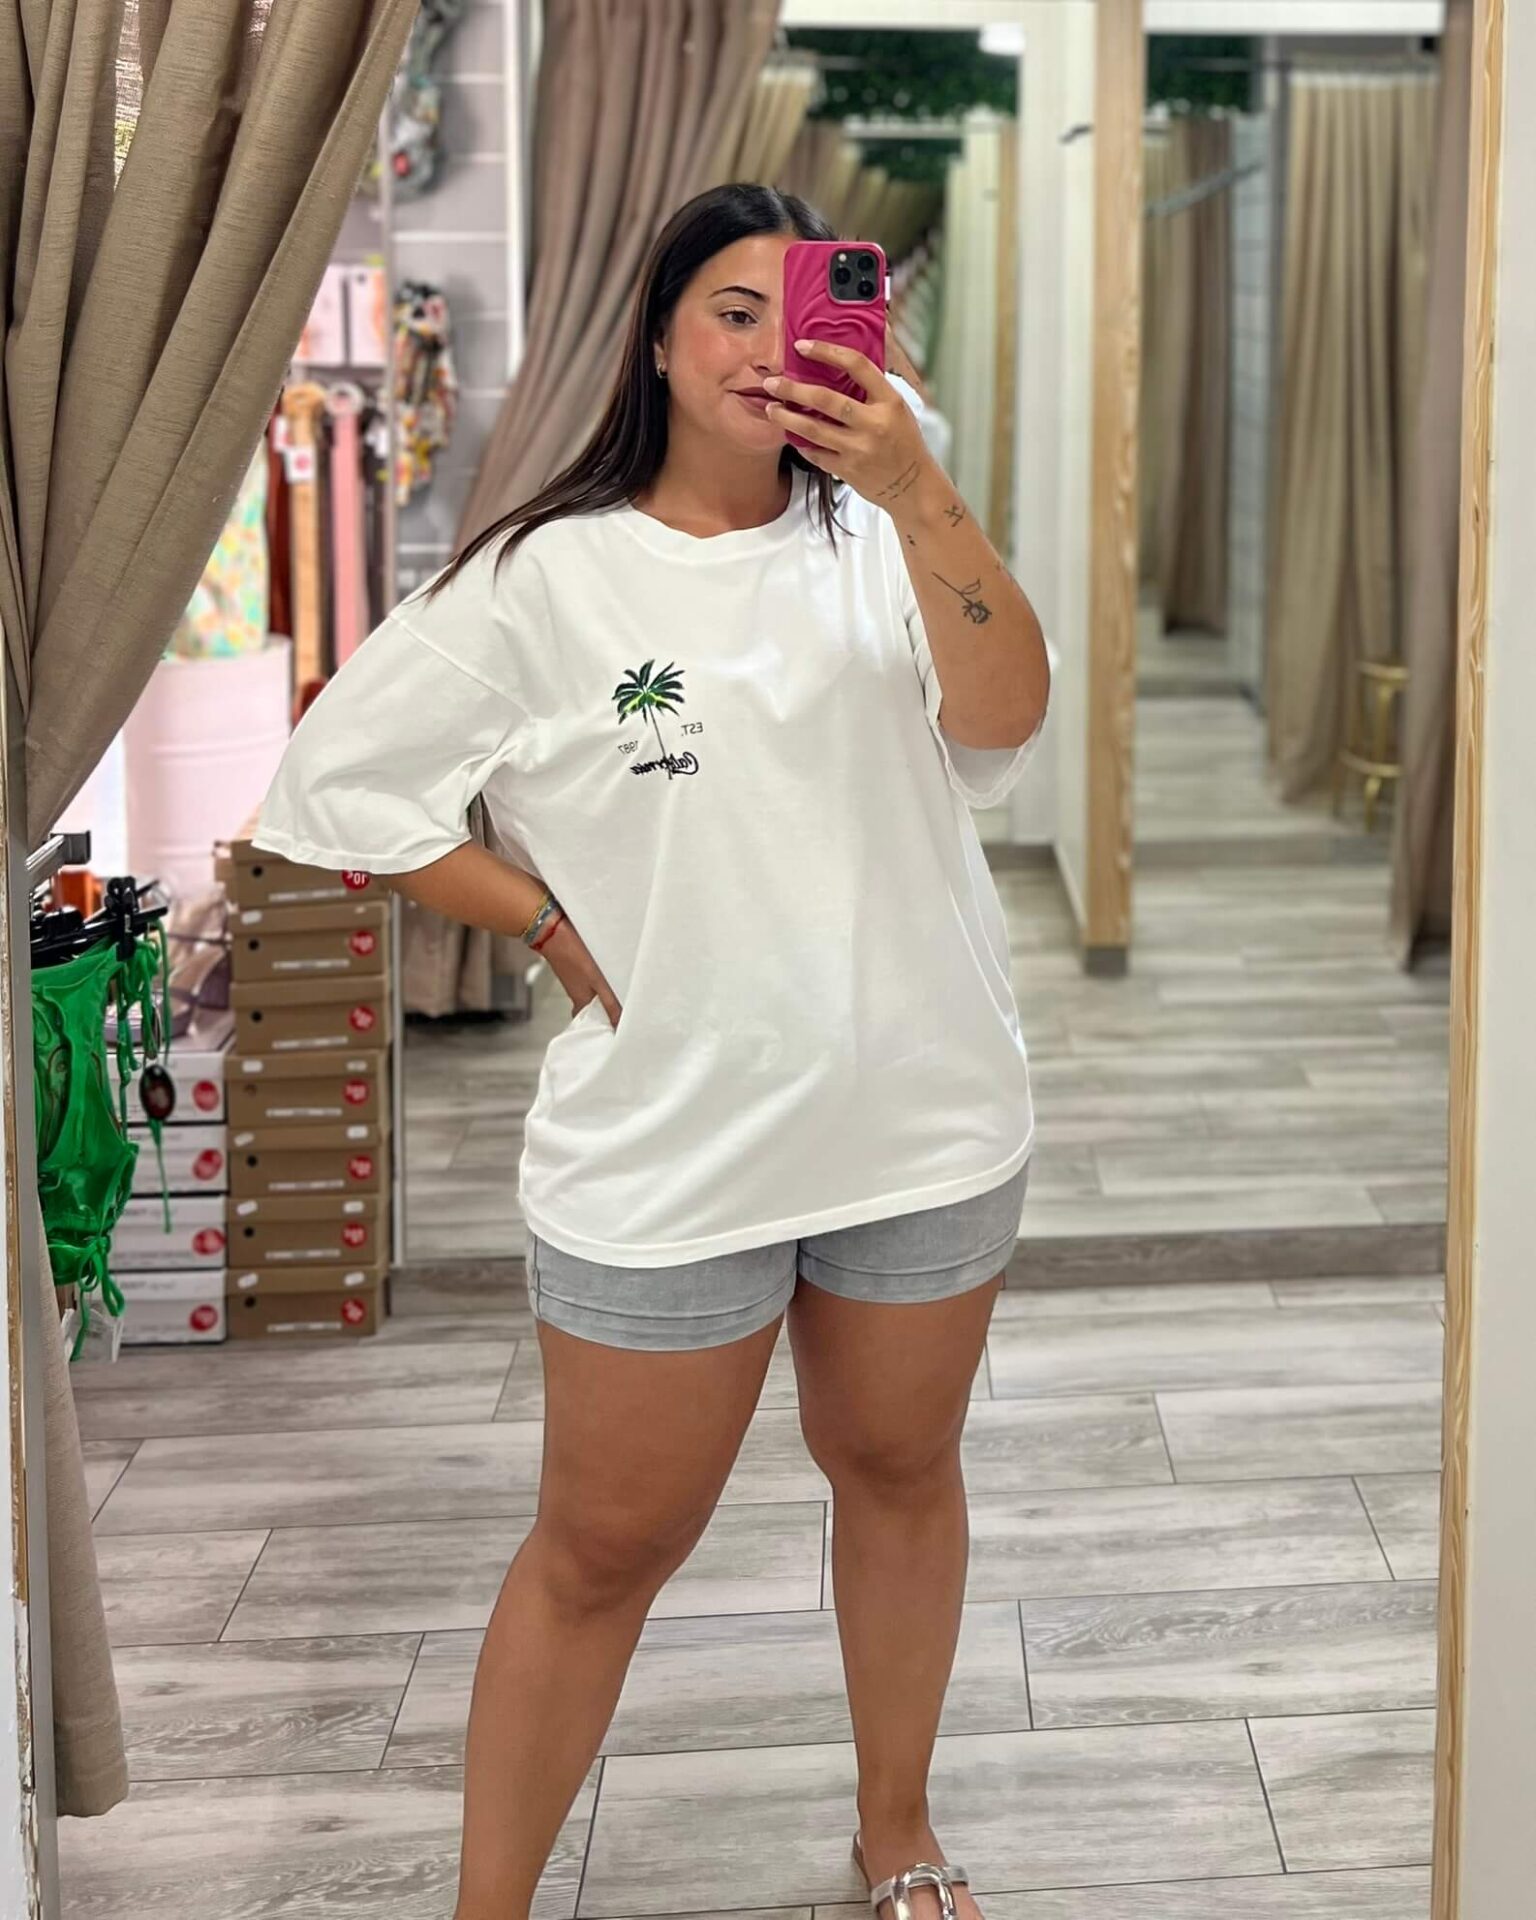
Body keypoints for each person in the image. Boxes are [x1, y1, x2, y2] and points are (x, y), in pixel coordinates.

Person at [255, 183, 1051, 1920]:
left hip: (920, 1107)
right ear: (661, 341)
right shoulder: (542, 578)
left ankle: (899, 1830)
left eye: (804, 309)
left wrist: (922, 493)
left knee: (900, 1472)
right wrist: (542, 923)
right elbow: (339, 784)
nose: (771, 349)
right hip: (668, 1140)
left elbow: (1005, 726)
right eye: (732, 313)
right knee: (605, 1545)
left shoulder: (887, 536)